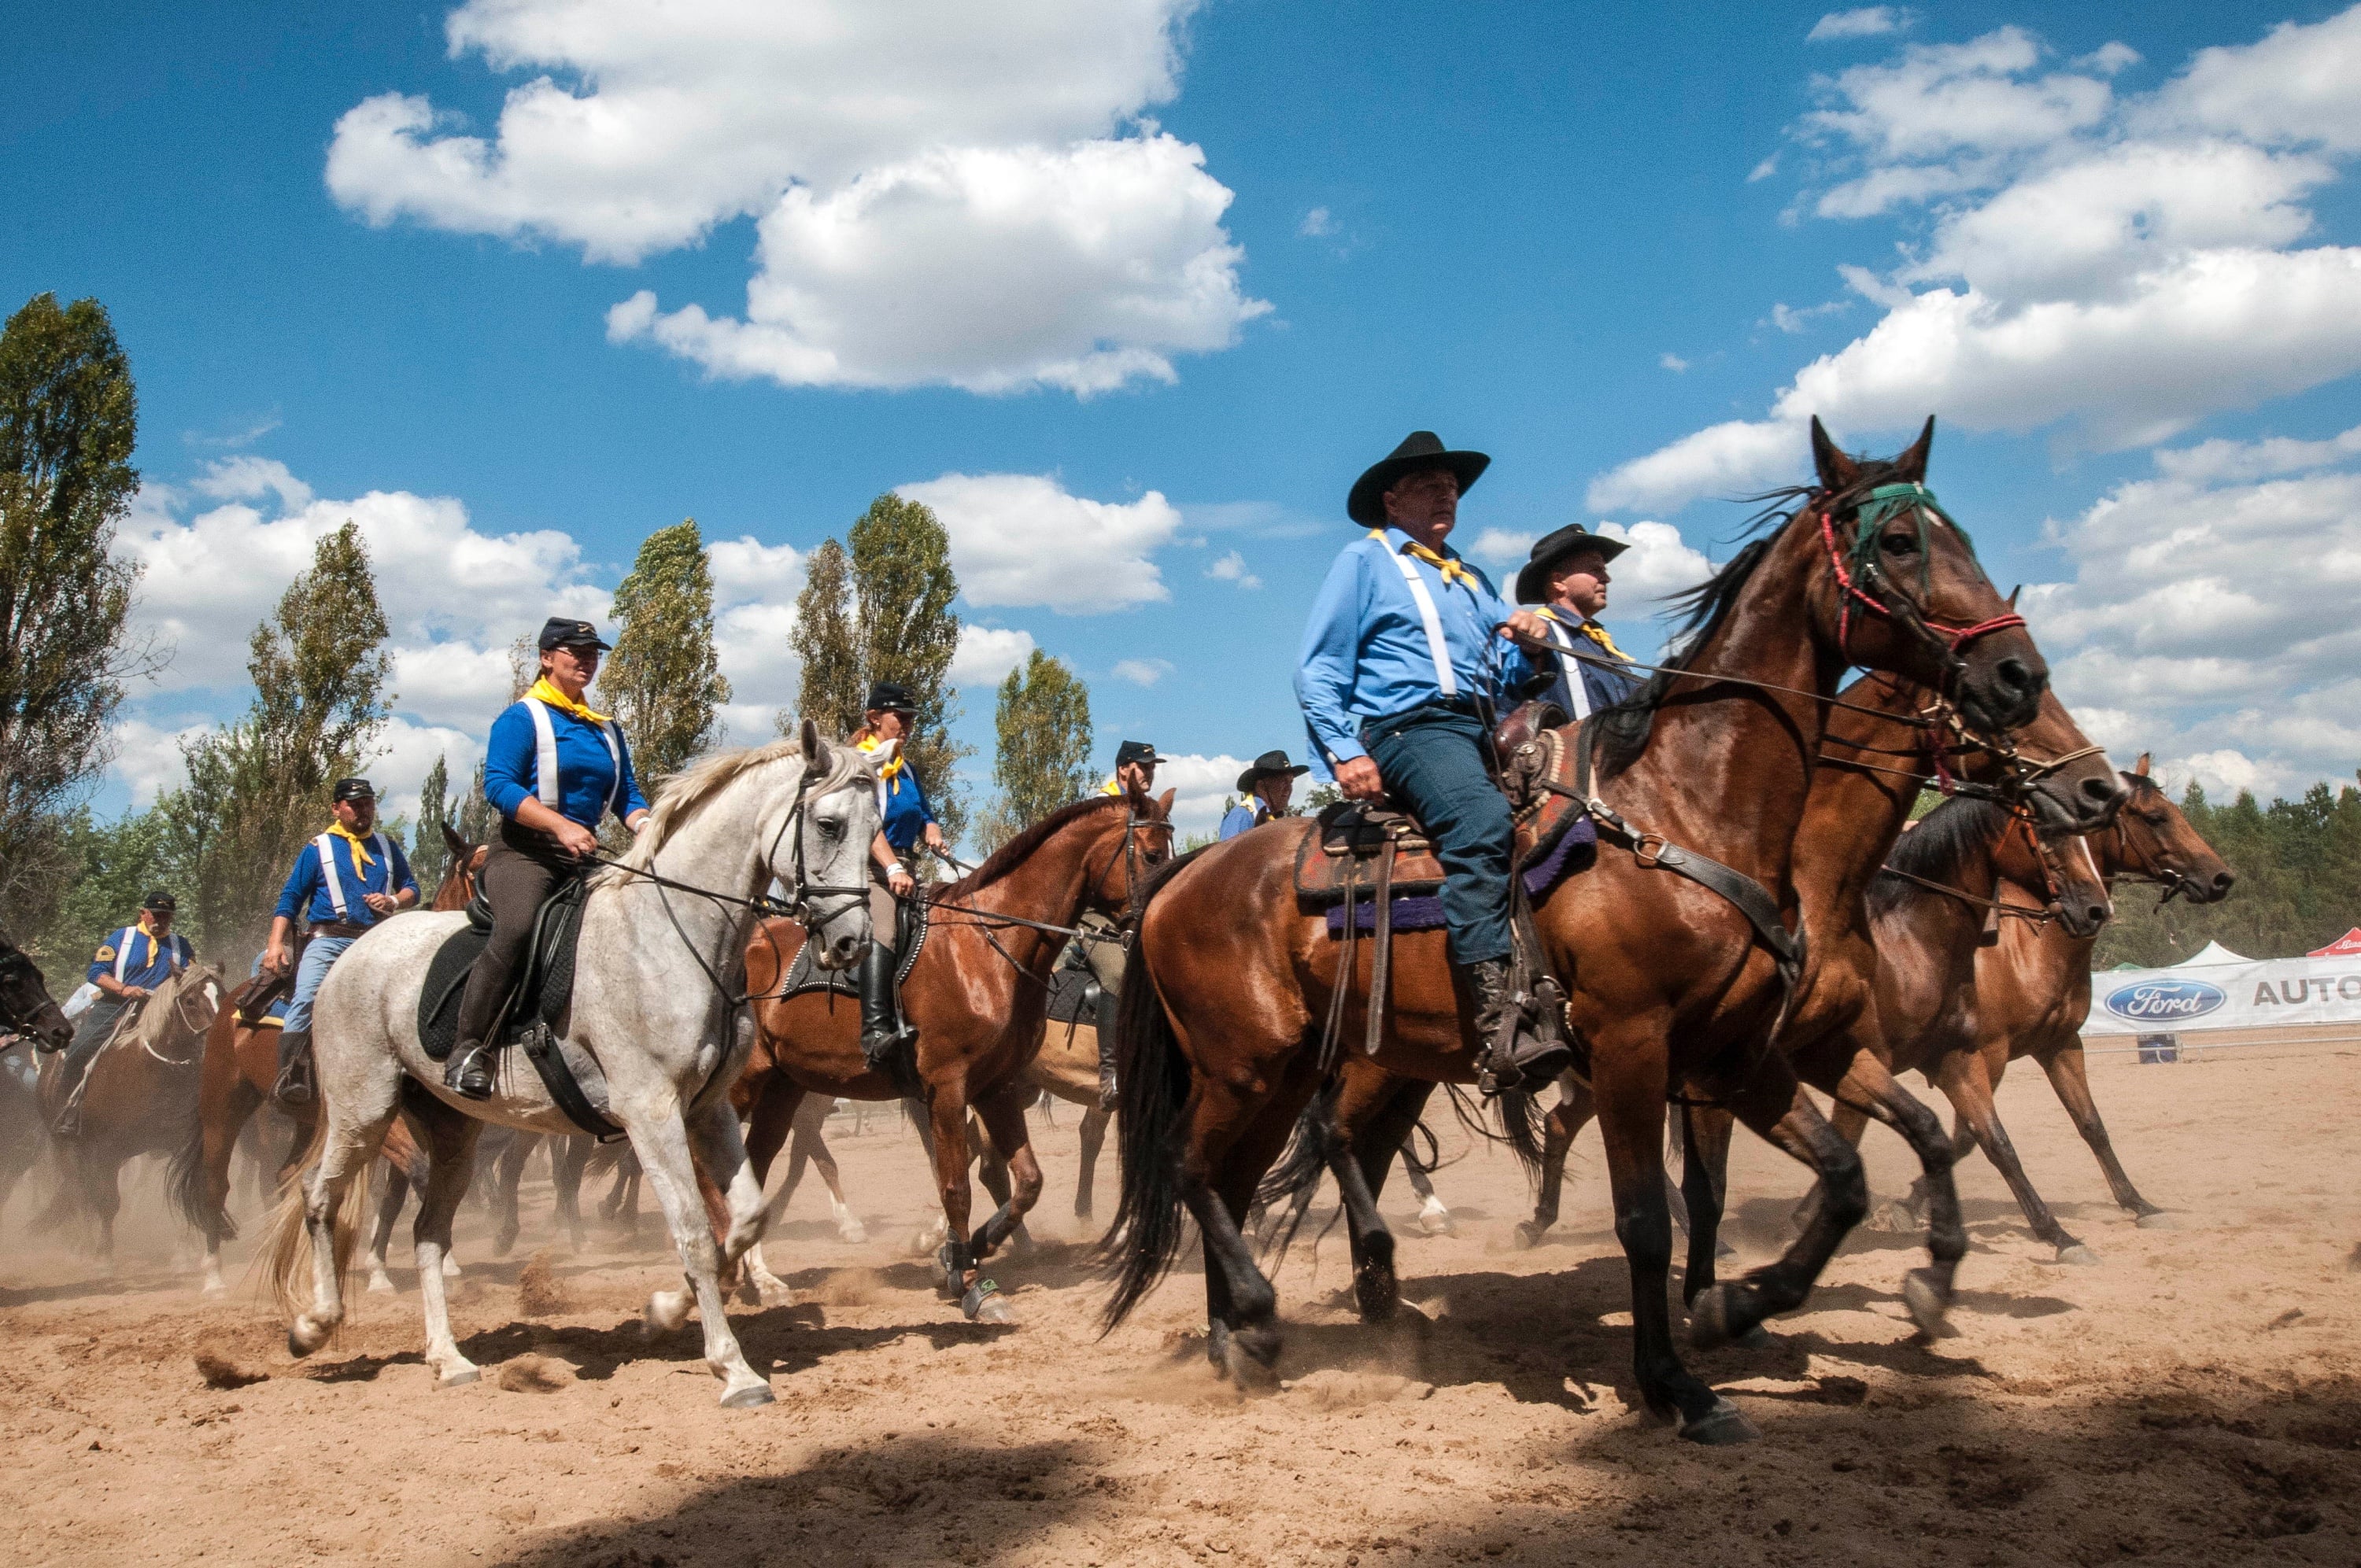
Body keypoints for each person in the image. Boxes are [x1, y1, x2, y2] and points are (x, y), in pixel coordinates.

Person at [1295, 430, 1572, 1083]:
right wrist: (1343, 750)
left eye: (1451, 485)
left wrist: (1532, 645)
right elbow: (1318, 668)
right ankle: (1499, 1015)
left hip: (1486, 728)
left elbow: (1507, 677)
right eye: (1429, 485)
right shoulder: (1363, 562)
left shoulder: (1473, 579)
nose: (1447, 493)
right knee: (1480, 823)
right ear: (1392, 501)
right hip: (1409, 729)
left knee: (1573, 811)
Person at [446, 618, 650, 1101]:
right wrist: (559, 825)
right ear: (546, 657)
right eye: (575, 651)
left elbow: (627, 794)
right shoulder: (522, 718)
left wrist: (648, 826)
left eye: (593, 653)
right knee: (518, 927)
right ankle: (468, 1049)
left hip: (583, 859)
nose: (587, 660)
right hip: (525, 855)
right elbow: (498, 785)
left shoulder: (606, 729)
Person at [262, 777, 419, 1106]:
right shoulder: (318, 848)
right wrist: (275, 944)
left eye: (368, 803)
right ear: (336, 808)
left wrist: (393, 901)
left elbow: (412, 889)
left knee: (414, 995)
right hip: (330, 940)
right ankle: (291, 1075)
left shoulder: (387, 846)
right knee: (307, 997)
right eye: (354, 804)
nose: (363, 810)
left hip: (379, 941)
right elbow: (291, 898)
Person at [851, 681, 950, 1072]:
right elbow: (866, 822)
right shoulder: (858, 764)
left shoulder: (905, 767)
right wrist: (891, 866)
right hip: (869, 870)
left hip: (907, 869)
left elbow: (924, 812)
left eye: (911, 718)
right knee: (884, 929)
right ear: (875, 718)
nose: (908, 725)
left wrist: (932, 830)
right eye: (901, 717)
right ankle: (875, 1032)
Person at [46, 890, 195, 1136]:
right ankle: (68, 1109)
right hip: (115, 1005)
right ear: (143, 913)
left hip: (161, 1012)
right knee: (80, 1048)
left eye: (167, 916)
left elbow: (191, 978)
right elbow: (96, 973)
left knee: (196, 1053)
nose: (162, 920)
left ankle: (184, 1120)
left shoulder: (181, 945)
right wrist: (124, 989)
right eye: (157, 915)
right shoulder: (121, 937)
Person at [1083, 739, 1161, 1108]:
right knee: (1117, 973)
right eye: (1143, 766)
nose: (1149, 773)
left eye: (1152, 767)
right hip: (1092, 913)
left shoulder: (1145, 809)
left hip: (1129, 913)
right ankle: (1111, 1074)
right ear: (1122, 770)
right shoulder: (1102, 808)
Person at [1514, 524, 1643, 720]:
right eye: (1595, 570)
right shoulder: (1538, 635)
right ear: (1559, 582)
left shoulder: (1601, 644)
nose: (1606, 578)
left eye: (1604, 570)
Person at [1220, 750, 1310, 840]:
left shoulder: (1276, 819)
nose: (1288, 788)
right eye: (1283, 782)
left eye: (1291, 782)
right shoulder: (1242, 815)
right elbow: (1228, 849)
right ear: (1261, 786)